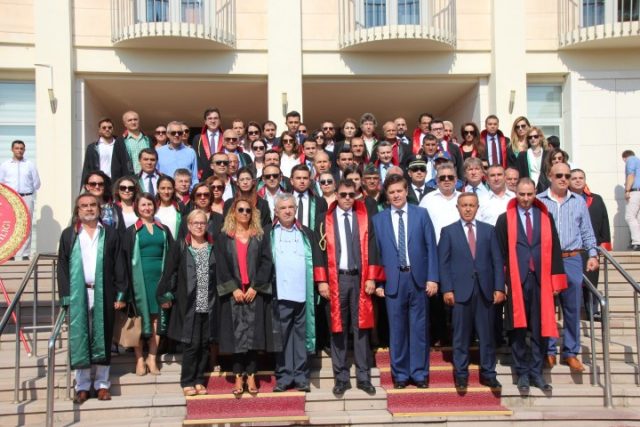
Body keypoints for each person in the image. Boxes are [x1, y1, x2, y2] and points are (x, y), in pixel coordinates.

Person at [495, 178, 567, 393]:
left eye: (529, 194)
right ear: (515, 193)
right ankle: (522, 374)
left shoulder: (545, 217)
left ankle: (536, 372)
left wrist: (556, 280)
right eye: (521, 194)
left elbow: (555, 249)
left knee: (540, 328)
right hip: (516, 281)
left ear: (535, 193)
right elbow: (499, 254)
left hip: (540, 280)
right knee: (517, 329)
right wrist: (501, 283)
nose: (525, 199)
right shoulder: (504, 219)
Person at [57, 193, 127, 403]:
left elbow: (120, 265)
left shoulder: (110, 234)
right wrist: (66, 296)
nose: (89, 209)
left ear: (99, 208)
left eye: (92, 205)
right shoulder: (70, 234)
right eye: (84, 206)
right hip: (79, 293)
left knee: (103, 337)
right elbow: (62, 267)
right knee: (81, 337)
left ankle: (102, 385)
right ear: (77, 210)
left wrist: (121, 293)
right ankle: (82, 386)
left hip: (104, 292)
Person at [317, 179, 385, 396]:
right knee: (337, 328)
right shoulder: (324, 219)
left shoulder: (364, 217)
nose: (347, 198)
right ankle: (341, 378)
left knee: (361, 329)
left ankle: (364, 377)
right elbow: (318, 252)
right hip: (336, 279)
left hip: (360, 279)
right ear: (336, 195)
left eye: (351, 195)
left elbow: (373, 248)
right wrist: (322, 281)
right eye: (343, 194)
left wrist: (372, 278)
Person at [372, 174, 438, 389]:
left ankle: (419, 373)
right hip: (393, 281)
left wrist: (432, 277)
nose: (396, 195)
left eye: (399, 191)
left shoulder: (421, 214)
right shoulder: (378, 220)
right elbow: (376, 254)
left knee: (419, 329)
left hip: (418, 279)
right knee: (397, 330)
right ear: (386, 195)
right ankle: (400, 374)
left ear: (406, 191)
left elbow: (431, 247)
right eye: (391, 192)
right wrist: (379, 283)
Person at [438, 192, 505, 390]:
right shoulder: (448, 231)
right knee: (461, 336)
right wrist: (447, 289)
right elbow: (443, 263)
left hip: (485, 291)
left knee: (487, 335)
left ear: (477, 207)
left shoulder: (488, 230)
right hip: (460, 292)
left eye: (471, 205)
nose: (468, 209)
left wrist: (499, 287)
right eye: (464, 205)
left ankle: (489, 373)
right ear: (457, 207)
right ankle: (461, 374)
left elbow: (497, 261)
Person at [538, 162, 599, 372]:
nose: (563, 179)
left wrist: (592, 254)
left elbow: (587, 231)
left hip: (572, 258)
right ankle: (548, 350)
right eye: (559, 175)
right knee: (547, 306)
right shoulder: (539, 201)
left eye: (567, 175)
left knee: (572, 307)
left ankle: (571, 352)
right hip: (547, 259)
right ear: (550, 176)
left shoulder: (578, 201)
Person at [216, 197, 277, 396]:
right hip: (233, 293)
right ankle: (238, 375)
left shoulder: (259, 236)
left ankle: (251, 374)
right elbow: (221, 265)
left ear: (253, 214)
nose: (244, 213)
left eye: (248, 210)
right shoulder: (224, 237)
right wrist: (233, 288)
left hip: (253, 292)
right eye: (240, 210)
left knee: (253, 336)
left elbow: (267, 262)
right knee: (236, 336)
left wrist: (256, 287)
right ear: (233, 212)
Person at [157, 209, 217, 397]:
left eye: (202, 223)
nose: (199, 226)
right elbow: (170, 271)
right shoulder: (181, 245)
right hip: (188, 303)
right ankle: (187, 381)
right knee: (191, 344)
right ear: (189, 226)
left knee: (204, 344)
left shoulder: (213, 245)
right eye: (195, 223)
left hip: (209, 302)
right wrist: (165, 295)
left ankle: (199, 380)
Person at [271, 193, 327, 392]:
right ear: (276, 211)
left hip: (304, 293)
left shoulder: (307, 233)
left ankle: (301, 376)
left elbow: (318, 260)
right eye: (283, 208)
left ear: (296, 209)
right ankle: (284, 377)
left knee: (301, 337)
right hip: (280, 294)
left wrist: (321, 283)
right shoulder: (269, 233)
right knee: (283, 337)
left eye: (290, 207)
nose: (287, 211)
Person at [121, 193, 174, 376]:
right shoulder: (131, 231)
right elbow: (124, 260)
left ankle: (152, 357)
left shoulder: (164, 230)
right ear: (137, 207)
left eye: (150, 204)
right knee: (139, 320)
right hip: (138, 281)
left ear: (155, 206)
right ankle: (139, 359)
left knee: (157, 320)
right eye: (143, 205)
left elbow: (172, 257)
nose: (147, 208)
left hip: (160, 280)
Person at [569, 168, 612, 320]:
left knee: (591, 281)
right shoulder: (566, 201)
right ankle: (575, 311)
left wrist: (603, 247)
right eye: (574, 178)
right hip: (572, 249)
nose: (578, 180)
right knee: (574, 281)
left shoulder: (596, 199)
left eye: (581, 178)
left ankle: (592, 311)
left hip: (591, 249)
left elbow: (604, 222)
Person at [0, 140, 41, 260]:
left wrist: (29, 192)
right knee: (11, 225)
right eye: (17, 148)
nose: (19, 150)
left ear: (24, 150)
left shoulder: (30, 165)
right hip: (11, 200)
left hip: (26, 197)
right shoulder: (5, 165)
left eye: (21, 148)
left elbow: (37, 183)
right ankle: (10, 253)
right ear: (12, 149)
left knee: (26, 225)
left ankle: (25, 254)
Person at [81, 118, 130, 185]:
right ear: (99, 130)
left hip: (116, 182)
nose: (107, 129)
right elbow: (87, 168)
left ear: (113, 129)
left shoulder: (120, 145)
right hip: (99, 183)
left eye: (110, 127)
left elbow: (126, 165)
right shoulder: (92, 148)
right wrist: (84, 186)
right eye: (104, 128)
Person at [156, 121, 198, 186]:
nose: (177, 135)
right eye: (173, 133)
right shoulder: (159, 152)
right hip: (166, 190)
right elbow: (156, 175)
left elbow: (194, 178)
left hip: (185, 190)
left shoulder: (191, 152)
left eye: (179, 133)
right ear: (168, 134)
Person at [290, 164, 328, 231]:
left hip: (313, 237)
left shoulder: (320, 202)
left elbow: (324, 226)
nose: (302, 181)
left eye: (305, 178)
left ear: (310, 181)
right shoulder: (283, 201)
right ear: (291, 181)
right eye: (298, 178)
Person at [516, 127, 549, 193]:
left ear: (540, 137)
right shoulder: (522, 155)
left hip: (545, 187)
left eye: (535, 136)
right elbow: (520, 174)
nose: (533, 139)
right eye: (530, 137)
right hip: (528, 188)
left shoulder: (548, 154)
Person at [193, 107, 223, 178]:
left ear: (219, 120)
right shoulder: (198, 139)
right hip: (203, 177)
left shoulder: (225, 137)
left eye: (215, 118)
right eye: (210, 118)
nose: (213, 121)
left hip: (222, 175)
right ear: (205, 121)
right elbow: (196, 158)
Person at [119, 111, 151, 175]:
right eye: (130, 120)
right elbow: (117, 163)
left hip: (147, 176)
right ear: (125, 124)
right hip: (130, 178)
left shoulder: (147, 139)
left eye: (135, 119)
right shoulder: (120, 141)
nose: (133, 122)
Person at [622, 150, 640, 250]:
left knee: (630, 216)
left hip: (635, 191)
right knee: (638, 217)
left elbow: (631, 175)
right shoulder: (638, 161)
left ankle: (637, 242)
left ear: (624, 158)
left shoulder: (630, 160)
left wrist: (627, 190)